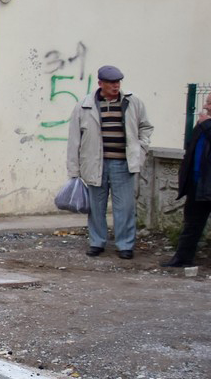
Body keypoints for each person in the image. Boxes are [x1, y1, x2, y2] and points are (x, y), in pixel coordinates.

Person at [67, 64, 153, 259]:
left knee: (125, 207)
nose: (116, 86)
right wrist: (73, 170)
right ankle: (97, 242)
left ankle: (125, 245)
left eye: (118, 82)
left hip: (123, 164)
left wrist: (141, 147)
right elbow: (74, 140)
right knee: (96, 207)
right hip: (95, 164)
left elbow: (146, 126)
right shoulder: (84, 106)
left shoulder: (132, 102)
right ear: (100, 83)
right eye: (111, 83)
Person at [163, 95, 211, 268]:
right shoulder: (203, 125)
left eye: (209, 102)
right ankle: (182, 258)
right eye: (206, 101)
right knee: (192, 223)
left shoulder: (206, 124)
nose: (205, 106)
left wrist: (206, 124)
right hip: (197, 183)